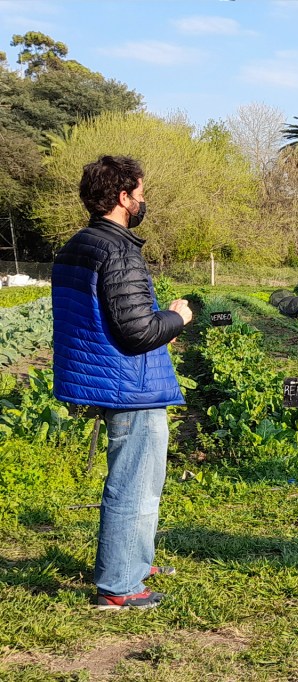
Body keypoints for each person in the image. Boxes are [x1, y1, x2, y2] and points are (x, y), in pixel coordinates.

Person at [51, 155, 193, 610]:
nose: (144, 200)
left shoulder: (80, 243)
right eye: (140, 192)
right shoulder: (117, 250)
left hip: (105, 375)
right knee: (134, 483)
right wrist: (177, 316)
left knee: (140, 478)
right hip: (130, 383)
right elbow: (137, 333)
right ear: (122, 197)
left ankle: (135, 559)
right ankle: (120, 586)